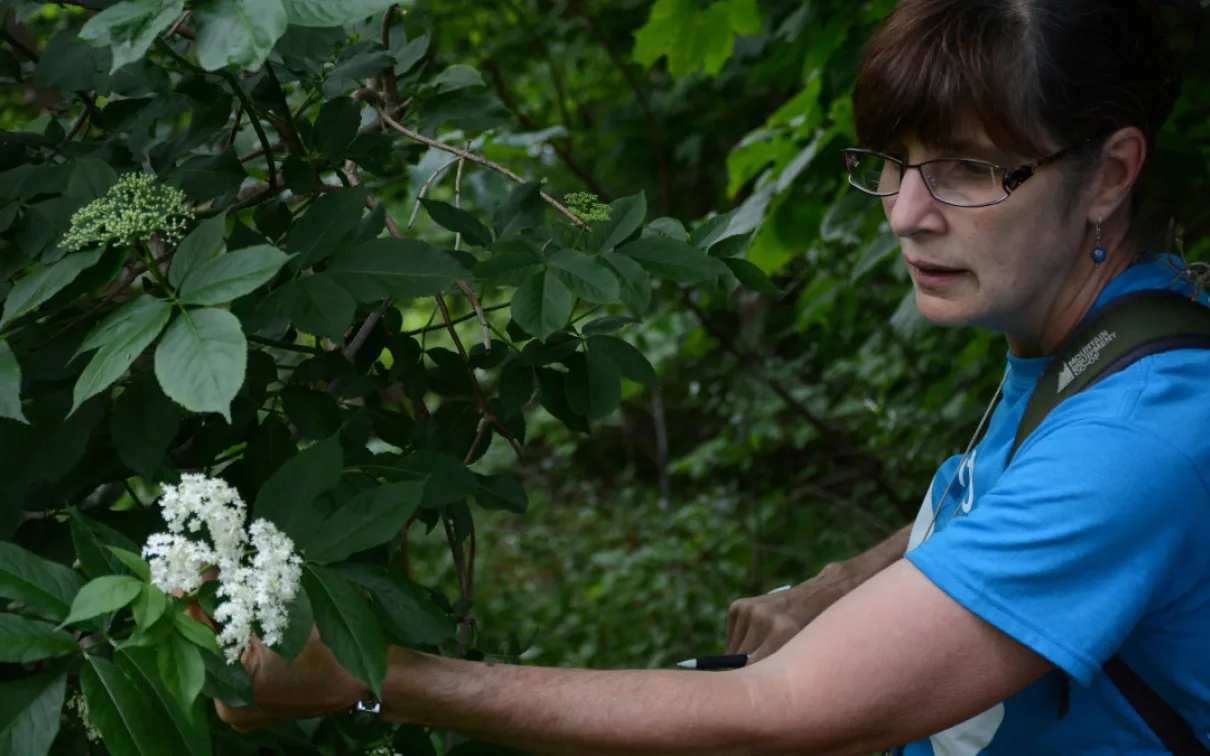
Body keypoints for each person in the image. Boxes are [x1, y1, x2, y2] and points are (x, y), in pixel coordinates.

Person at [212, 0, 1210, 753]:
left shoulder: (1143, 437)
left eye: (964, 168)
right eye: (894, 162)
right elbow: (1009, 497)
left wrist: (369, 671)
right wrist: (833, 588)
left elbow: (776, 713)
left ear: (1111, 174)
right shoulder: (1101, 340)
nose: (905, 213)